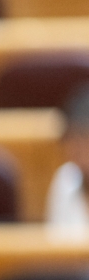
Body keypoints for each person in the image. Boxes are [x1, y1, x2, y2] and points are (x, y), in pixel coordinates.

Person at [47, 86, 89, 235]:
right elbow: (56, 252)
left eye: (85, 138)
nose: (78, 150)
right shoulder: (65, 179)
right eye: (71, 140)